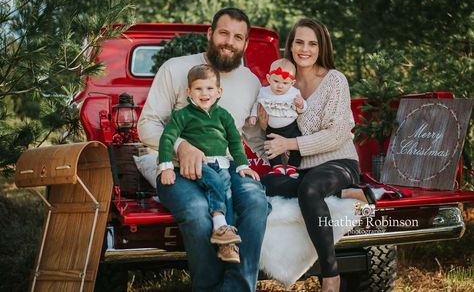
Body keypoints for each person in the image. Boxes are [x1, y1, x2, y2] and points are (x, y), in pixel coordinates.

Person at [138, 7, 268, 292]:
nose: (229, 42)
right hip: (173, 167)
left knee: (256, 201)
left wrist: (290, 146)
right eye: (223, 33)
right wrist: (181, 146)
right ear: (210, 34)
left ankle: (235, 288)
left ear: (245, 44)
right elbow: (146, 125)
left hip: (225, 165)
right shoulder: (175, 69)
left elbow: (252, 138)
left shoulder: (250, 82)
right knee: (198, 210)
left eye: (238, 37)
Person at [259, 18, 376, 292]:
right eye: (299, 42)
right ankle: (345, 194)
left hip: (339, 162)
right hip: (302, 168)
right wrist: (265, 126)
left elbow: (337, 134)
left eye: (312, 43)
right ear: (290, 46)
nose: (305, 49)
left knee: (311, 190)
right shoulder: (282, 84)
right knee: (265, 185)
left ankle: (330, 274)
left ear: (321, 47)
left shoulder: (334, 80)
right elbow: (271, 140)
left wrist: (290, 144)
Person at [158, 64, 260, 264]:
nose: (204, 93)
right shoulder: (183, 115)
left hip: (221, 163)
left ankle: (226, 245)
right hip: (198, 164)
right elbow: (166, 139)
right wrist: (166, 166)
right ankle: (219, 223)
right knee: (215, 182)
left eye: (209, 88)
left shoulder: (223, 116)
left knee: (228, 194)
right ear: (189, 92)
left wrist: (242, 166)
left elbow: (235, 142)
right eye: (198, 89)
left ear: (219, 92)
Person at [248, 58, 306, 178]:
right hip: (272, 128)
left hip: (290, 127)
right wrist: (253, 116)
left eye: (285, 83)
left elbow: (303, 108)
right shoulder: (264, 92)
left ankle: (292, 167)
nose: (280, 86)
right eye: (276, 81)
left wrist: (301, 105)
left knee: (297, 147)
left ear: (292, 83)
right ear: (269, 78)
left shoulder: (294, 93)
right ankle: (277, 167)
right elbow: (257, 104)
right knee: (269, 146)